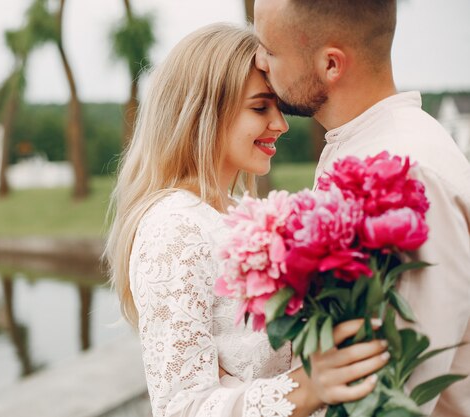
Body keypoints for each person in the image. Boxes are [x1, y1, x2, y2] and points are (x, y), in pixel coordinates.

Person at [105, 23, 390, 417]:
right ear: (204, 111)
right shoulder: (174, 228)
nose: (281, 124)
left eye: (278, 106)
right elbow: (181, 407)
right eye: (260, 107)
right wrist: (305, 389)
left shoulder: (239, 211)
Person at [253, 1, 470, 415]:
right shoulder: (361, 145)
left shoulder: (411, 172)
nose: (259, 61)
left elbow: (401, 385)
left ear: (331, 64)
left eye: (271, 50)